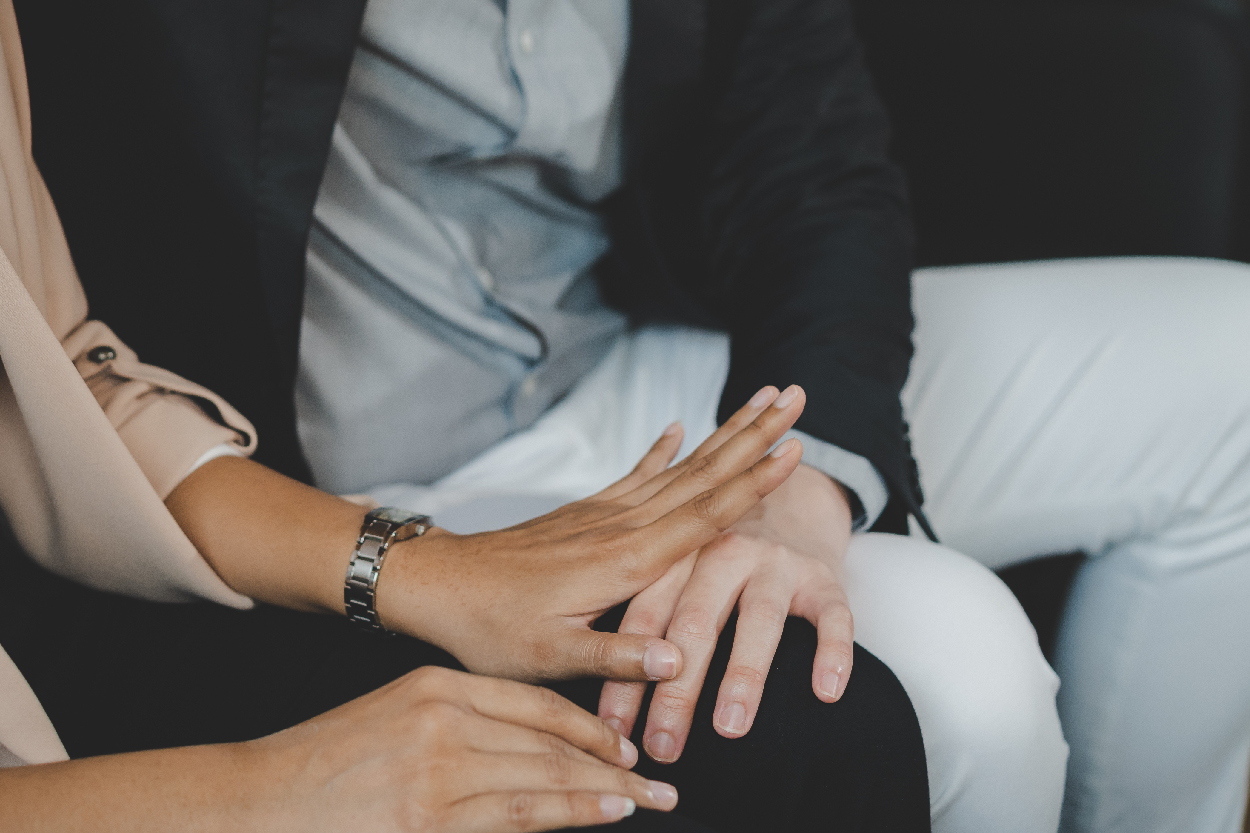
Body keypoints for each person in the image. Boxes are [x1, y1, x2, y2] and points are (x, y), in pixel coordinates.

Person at [12, 0, 1250, 832]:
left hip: (632, 363)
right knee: (961, 669)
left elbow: (812, 171)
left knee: (1229, 360)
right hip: (371, 472)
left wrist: (798, 489)